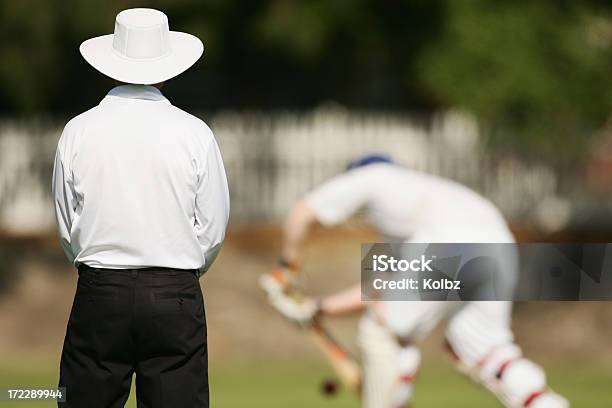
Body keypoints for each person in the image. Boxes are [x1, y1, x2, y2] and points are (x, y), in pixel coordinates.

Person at [267, 155, 568, 408]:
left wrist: (286, 269)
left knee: (384, 330)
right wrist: (318, 308)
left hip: (449, 246)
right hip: (500, 245)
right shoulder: (419, 203)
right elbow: (379, 289)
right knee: (486, 350)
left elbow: (301, 214)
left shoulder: (370, 175)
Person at [52, 8, 229, 408]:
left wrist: (96, 263)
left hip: (101, 290)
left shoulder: (78, 130)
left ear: (111, 65)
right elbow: (212, 228)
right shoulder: (194, 132)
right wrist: (181, 264)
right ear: (167, 69)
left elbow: (67, 224)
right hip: (174, 292)